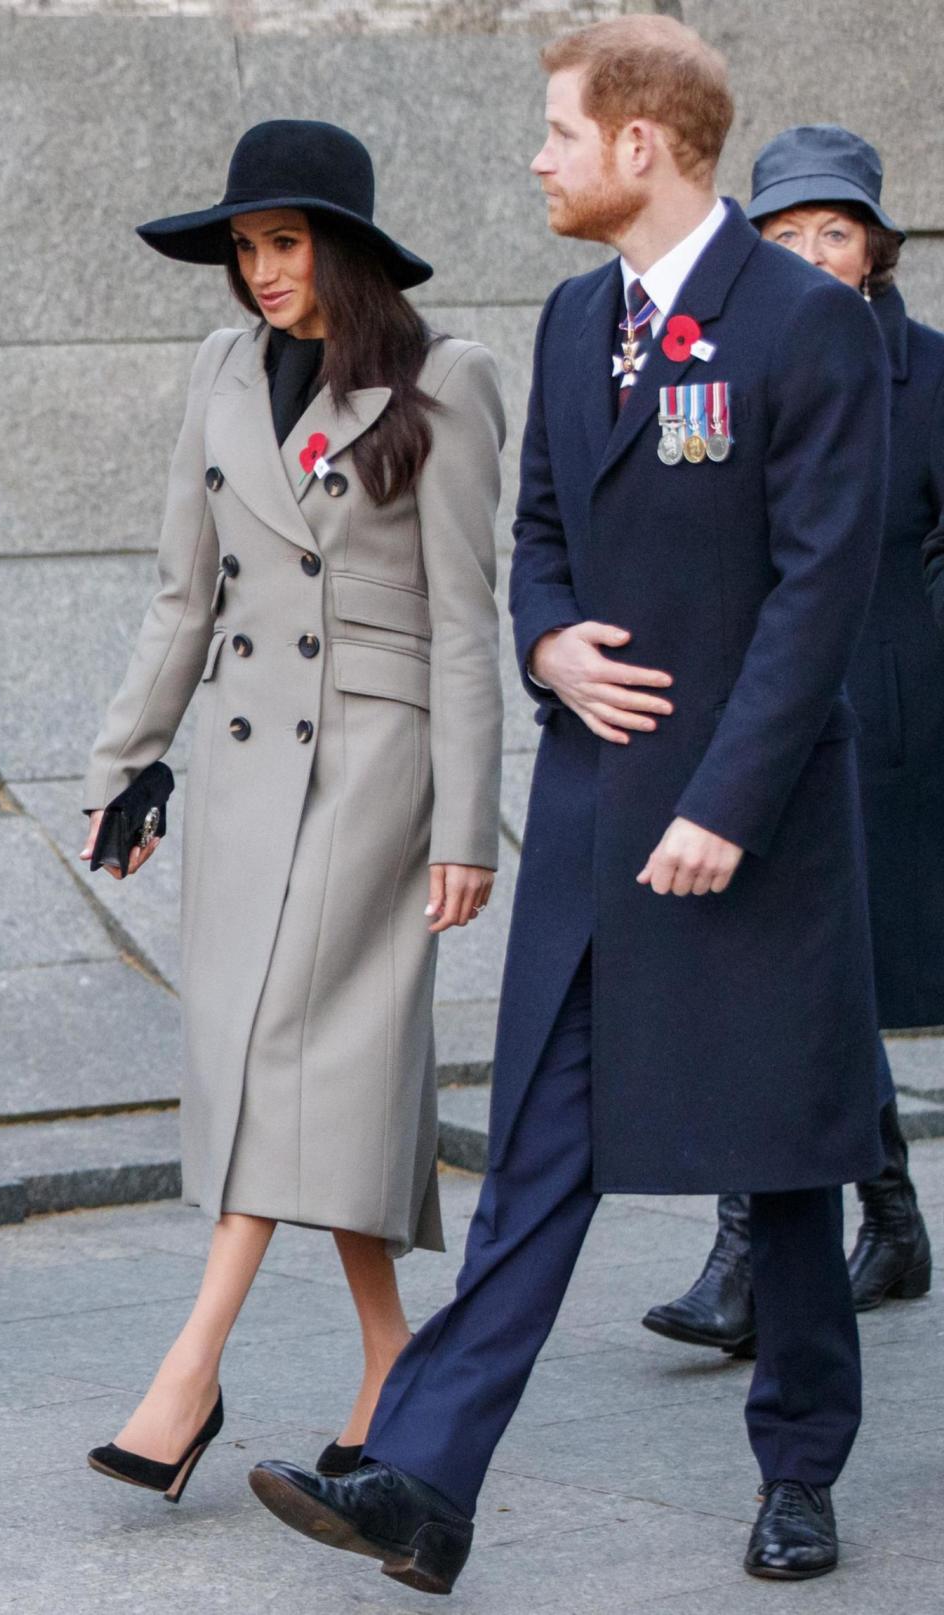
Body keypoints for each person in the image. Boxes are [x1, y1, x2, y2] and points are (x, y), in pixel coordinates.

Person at [247, 17, 891, 1588]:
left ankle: (799, 1464)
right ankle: (428, 1476)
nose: (537, 159)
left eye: (556, 133)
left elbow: (824, 594)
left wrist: (729, 801)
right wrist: (547, 638)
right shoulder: (565, 319)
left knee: (789, 1151)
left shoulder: (809, 327)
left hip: (757, 829)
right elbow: (537, 532)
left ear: (642, 146)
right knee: (539, 1144)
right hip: (602, 814)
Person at [79, 119, 504, 1503]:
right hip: (253, 765)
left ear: (348, 247)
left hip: (378, 764)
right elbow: (182, 594)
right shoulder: (219, 368)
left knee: (277, 1050)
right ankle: (392, 1360)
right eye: (245, 247)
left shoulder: (444, 379)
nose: (260, 271)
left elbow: (465, 623)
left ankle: (187, 1371)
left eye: (285, 241)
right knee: (299, 1071)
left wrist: (464, 826)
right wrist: (130, 762)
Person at [644, 125, 937, 1360]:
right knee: (794, 983)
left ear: (874, 248)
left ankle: (781, 1248)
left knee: (835, 985)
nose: (814, 254)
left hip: (897, 731)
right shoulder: (719, 366)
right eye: (785, 234)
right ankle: (844, 1228)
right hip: (765, 728)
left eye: (836, 230)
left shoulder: (929, 373)